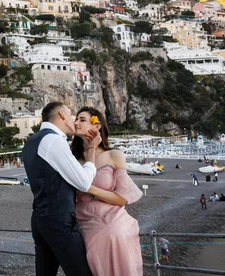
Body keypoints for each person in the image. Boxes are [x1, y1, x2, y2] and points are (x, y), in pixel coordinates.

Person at [22, 101, 99, 276]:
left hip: (39, 219)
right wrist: (92, 150)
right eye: (72, 115)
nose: (74, 120)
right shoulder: (53, 140)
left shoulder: (31, 142)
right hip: (58, 220)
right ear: (62, 115)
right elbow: (84, 182)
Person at [72, 107, 143, 276]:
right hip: (83, 219)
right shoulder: (71, 158)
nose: (75, 123)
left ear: (97, 126)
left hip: (112, 216)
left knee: (114, 233)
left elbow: (122, 199)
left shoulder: (114, 155)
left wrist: (88, 187)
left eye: (82, 120)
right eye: (76, 119)